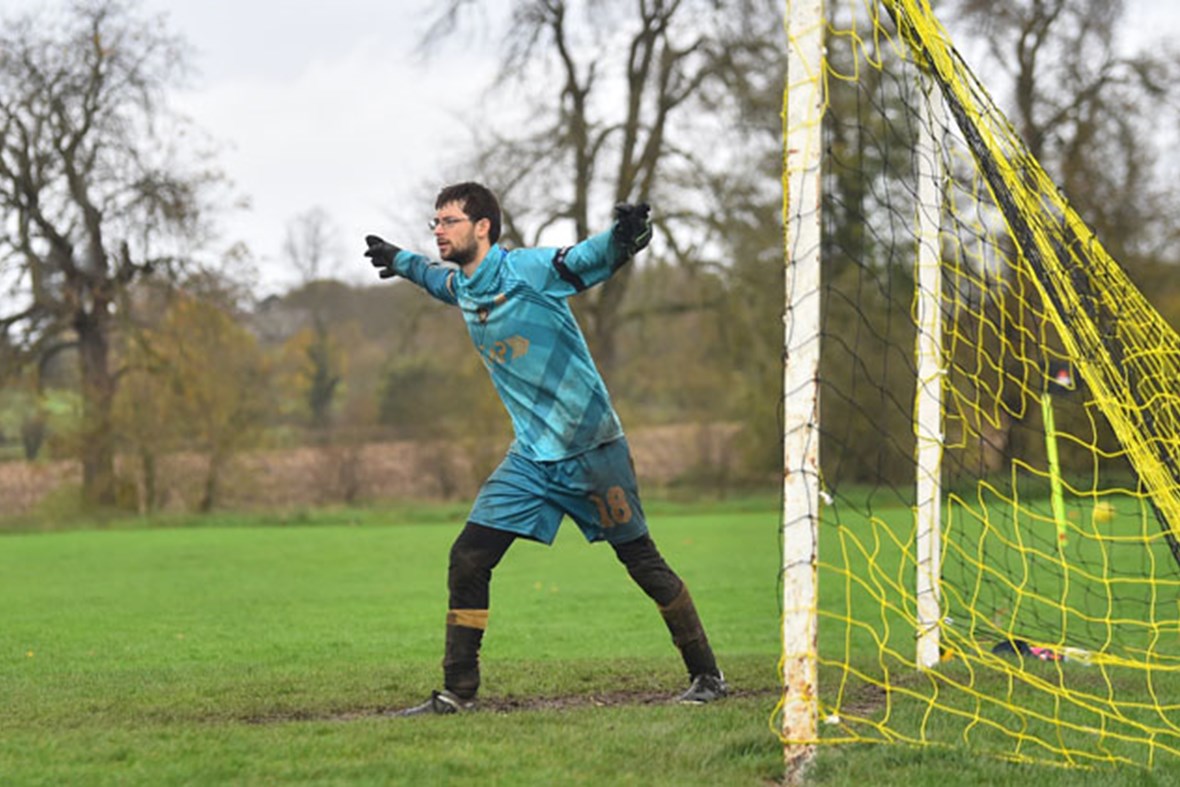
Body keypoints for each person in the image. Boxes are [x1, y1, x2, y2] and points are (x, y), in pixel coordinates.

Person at [364, 182, 726, 715]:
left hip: (593, 451)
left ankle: (707, 676)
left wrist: (628, 234)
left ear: (482, 227)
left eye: (448, 221)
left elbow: (589, 258)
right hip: (532, 458)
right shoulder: (464, 286)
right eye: (434, 223)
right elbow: (431, 278)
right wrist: (398, 259)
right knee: (468, 557)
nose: (437, 231)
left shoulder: (529, 271)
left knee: (642, 562)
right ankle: (457, 692)